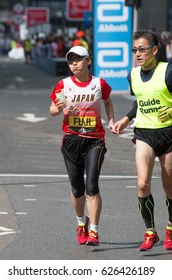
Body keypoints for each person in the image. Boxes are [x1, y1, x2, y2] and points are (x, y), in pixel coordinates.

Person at [112, 30, 172, 251]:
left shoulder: (169, 71)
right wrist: (126, 119)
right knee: (142, 184)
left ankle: (171, 226)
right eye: (134, 50)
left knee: (169, 187)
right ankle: (150, 232)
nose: (137, 54)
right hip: (144, 133)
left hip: (168, 132)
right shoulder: (133, 75)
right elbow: (141, 101)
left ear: (154, 50)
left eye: (142, 49)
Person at [49, 46, 115, 246]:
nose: (74, 64)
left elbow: (108, 102)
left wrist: (111, 120)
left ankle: (94, 231)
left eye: (78, 60)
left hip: (95, 140)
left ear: (88, 61)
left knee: (92, 187)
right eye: (71, 61)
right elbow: (52, 109)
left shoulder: (98, 83)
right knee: (77, 189)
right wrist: (57, 108)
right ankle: (81, 222)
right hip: (71, 140)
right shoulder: (64, 85)